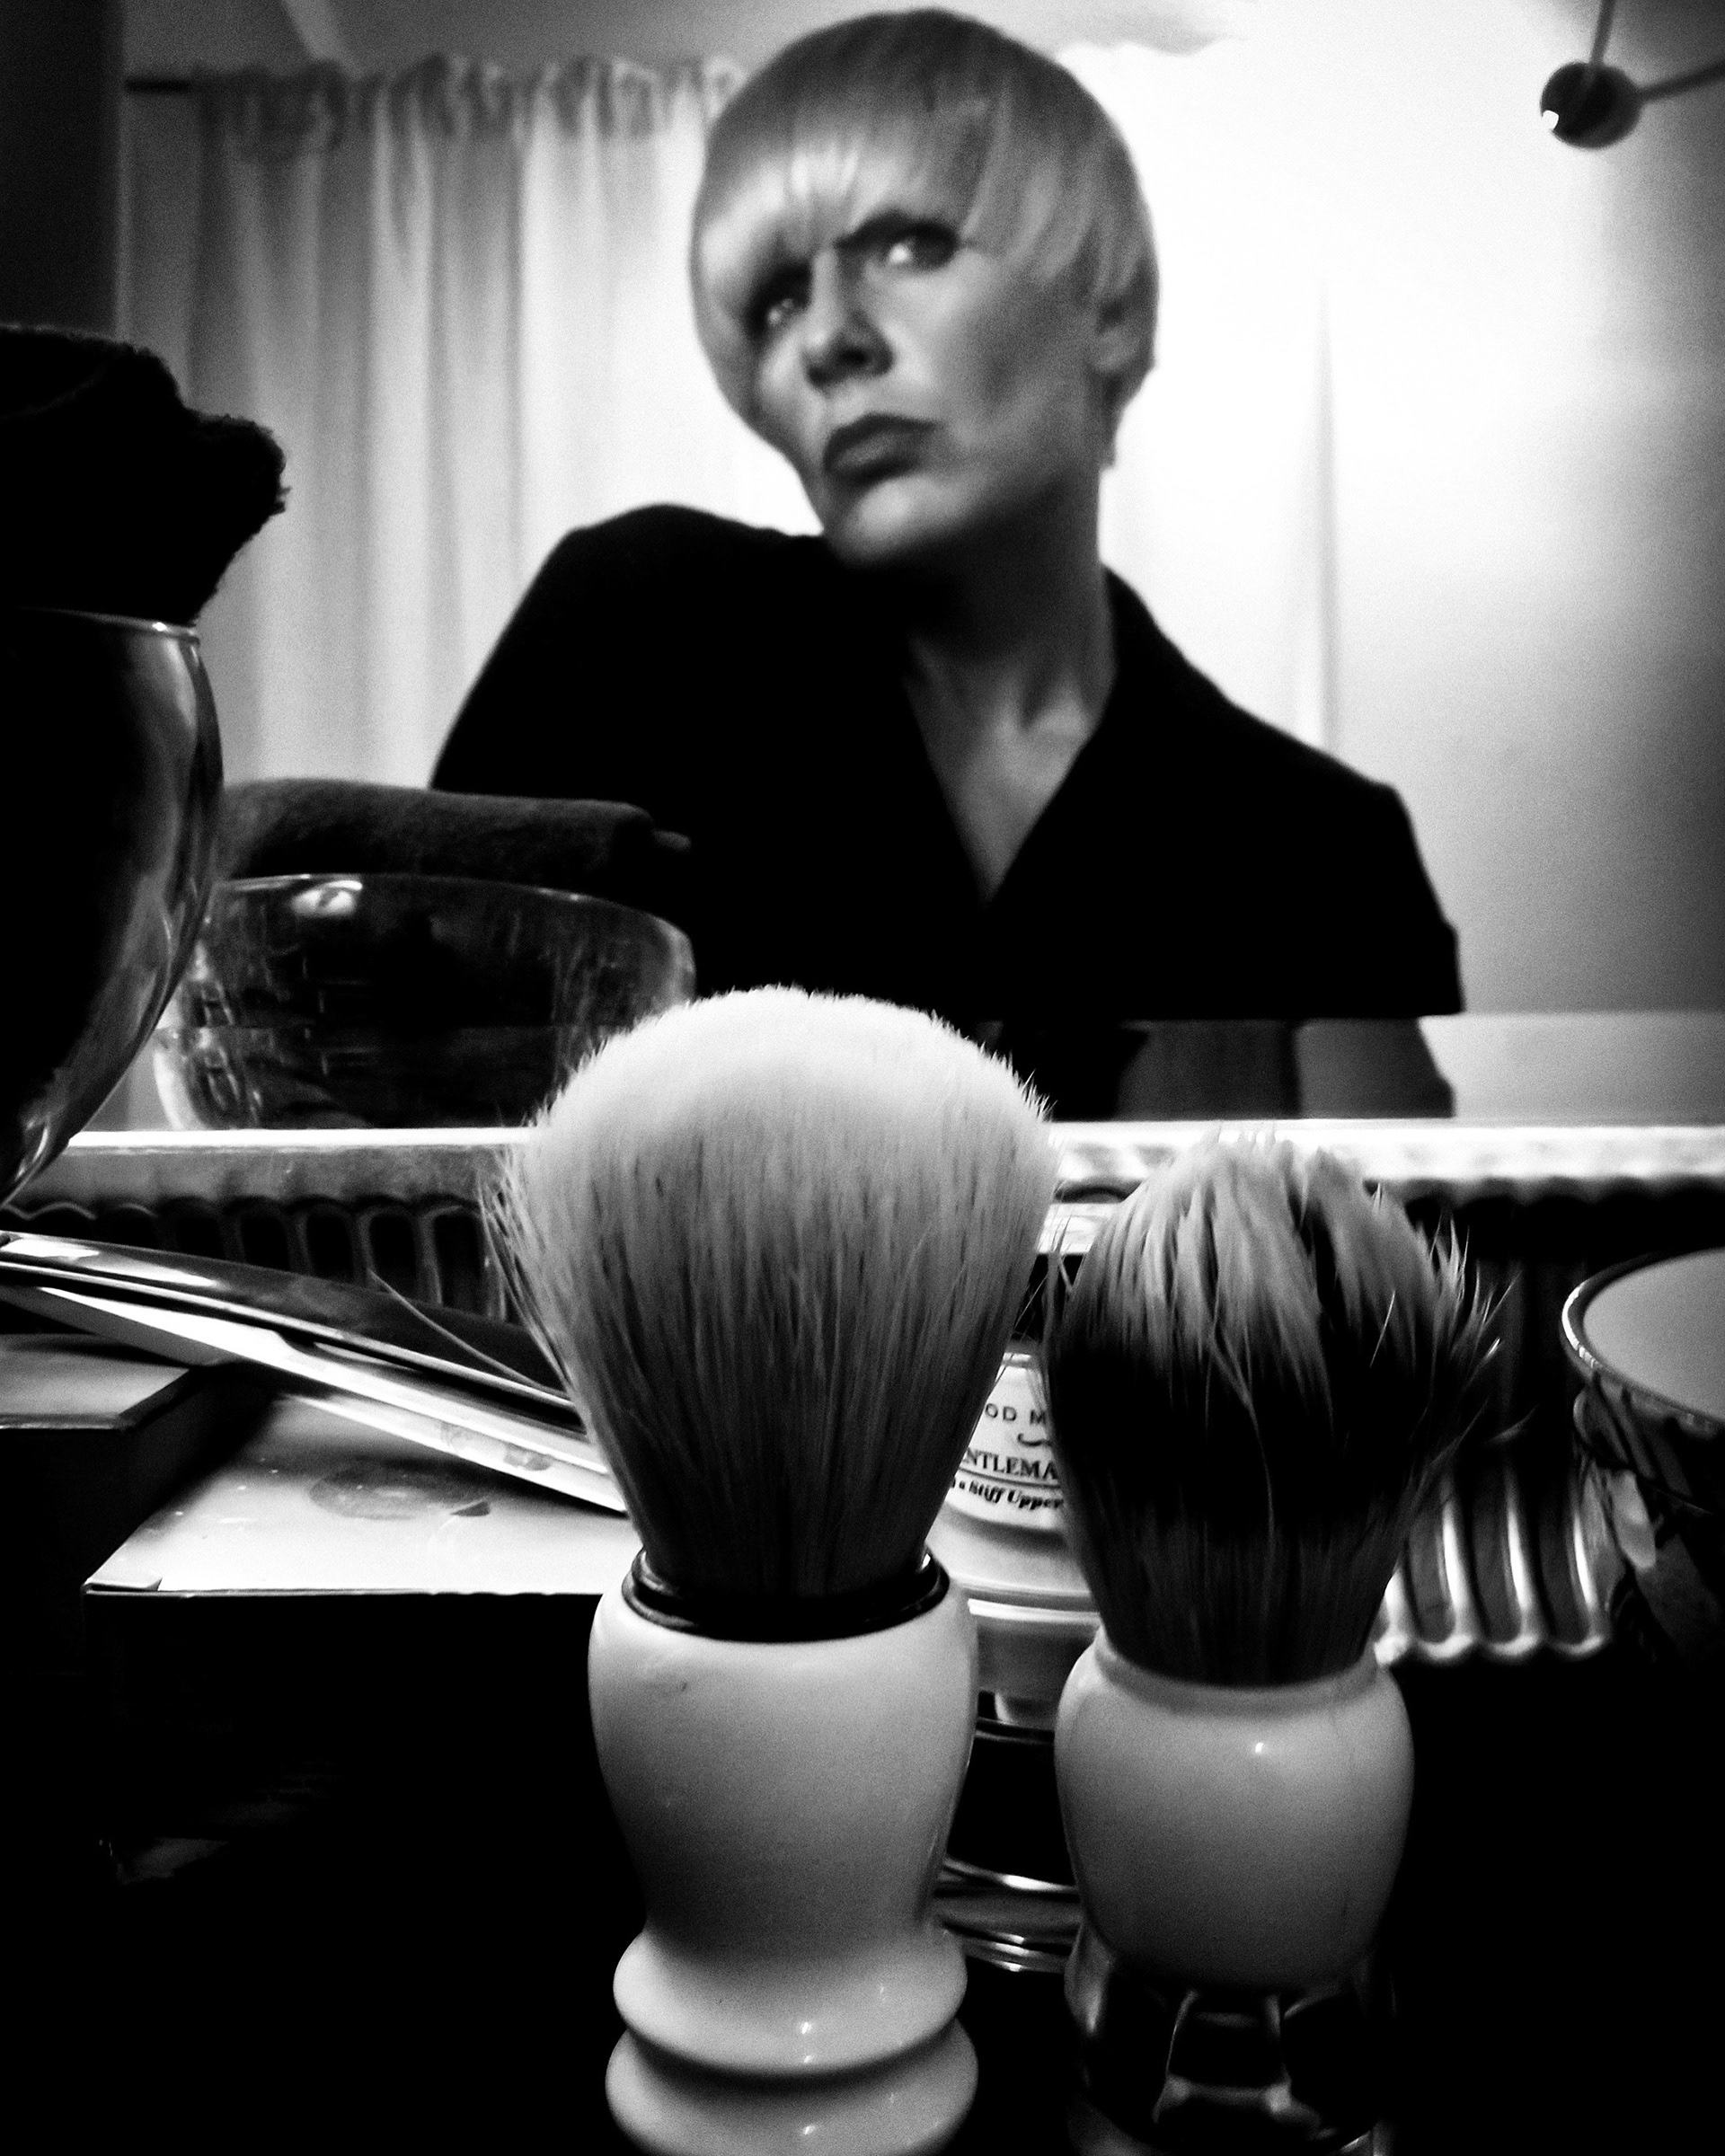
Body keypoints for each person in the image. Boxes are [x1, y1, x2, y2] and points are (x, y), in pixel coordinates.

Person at [433, 9, 1462, 1074]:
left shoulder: (1319, 843)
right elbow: (407, 1103)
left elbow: (1384, 1184)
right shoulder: (640, 633)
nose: (827, 339)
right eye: (776, 301)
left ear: (1107, 309)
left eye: (910, 245)